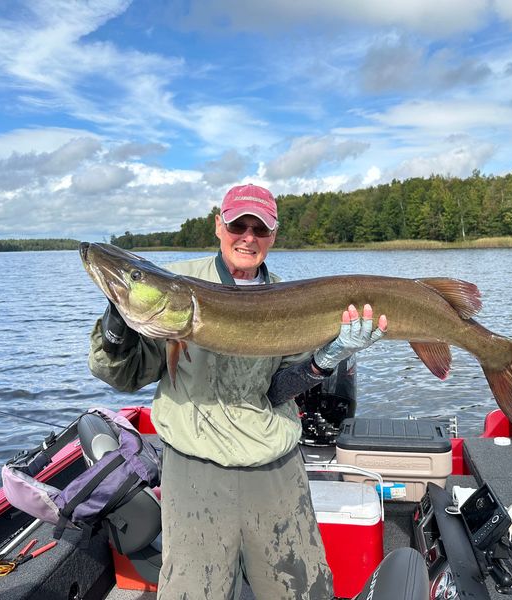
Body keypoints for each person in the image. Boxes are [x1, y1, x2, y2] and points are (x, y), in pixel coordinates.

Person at [88, 183, 387, 600]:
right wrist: (117, 322)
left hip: (274, 465)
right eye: (237, 225)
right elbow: (123, 376)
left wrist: (328, 358)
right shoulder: (177, 287)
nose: (247, 237)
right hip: (195, 466)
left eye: (259, 228)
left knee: (301, 590)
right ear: (219, 226)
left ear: (273, 236)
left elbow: (280, 389)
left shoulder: (291, 298)